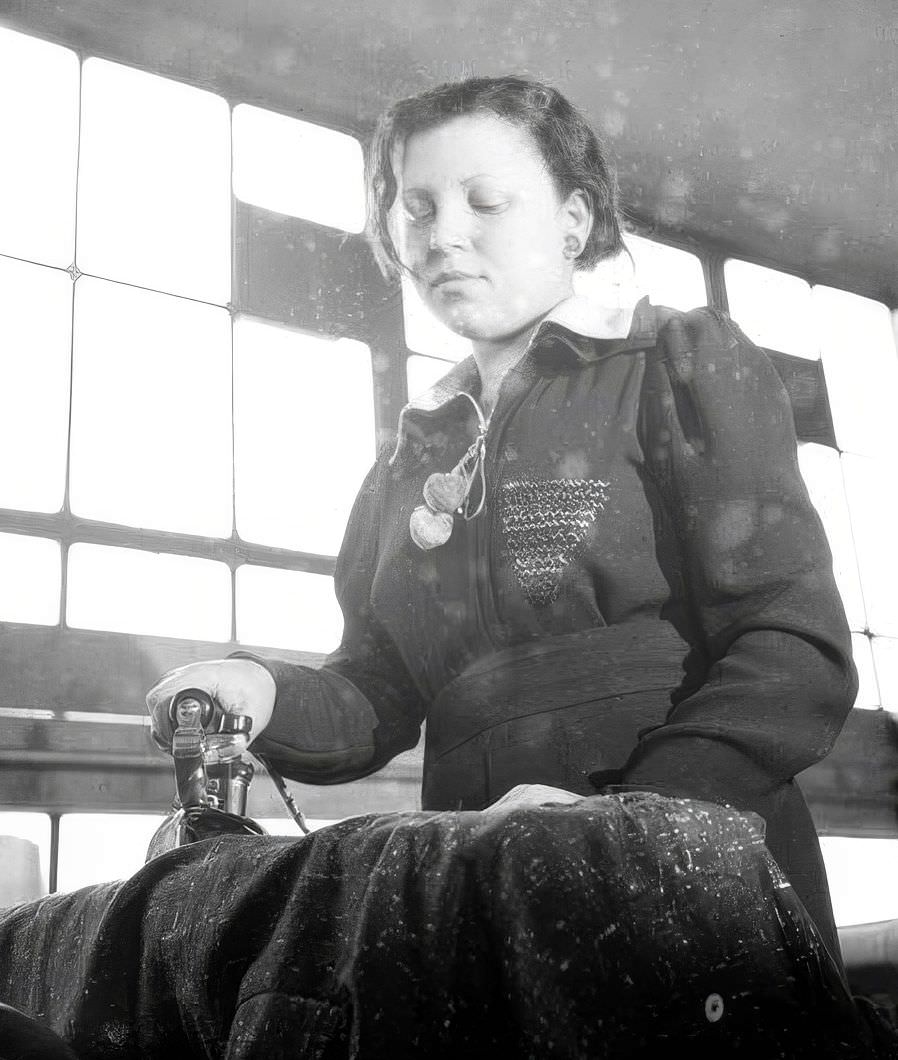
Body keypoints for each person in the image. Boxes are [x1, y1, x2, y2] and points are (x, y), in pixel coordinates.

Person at [146, 75, 857, 968]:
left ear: (574, 218)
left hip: (691, 872)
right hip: (477, 884)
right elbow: (380, 693)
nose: (443, 235)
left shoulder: (678, 364)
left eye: (486, 201)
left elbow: (793, 648)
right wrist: (261, 693)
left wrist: (632, 822)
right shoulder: (406, 459)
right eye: (416, 208)